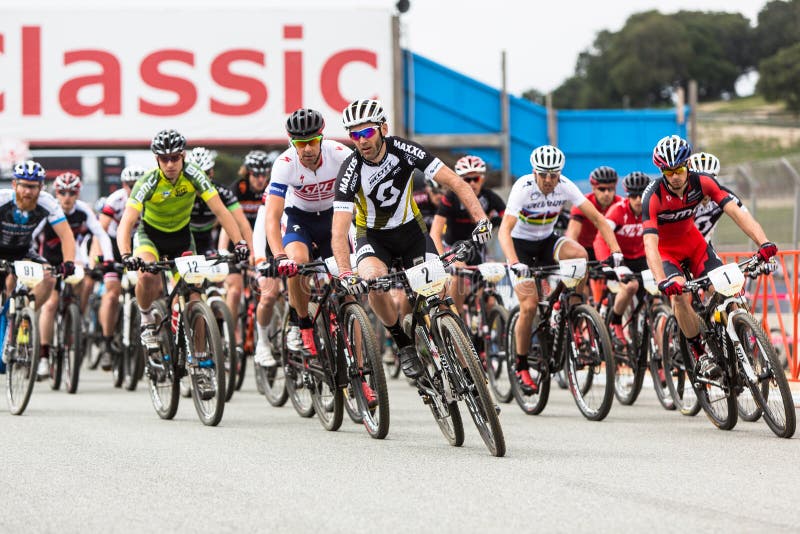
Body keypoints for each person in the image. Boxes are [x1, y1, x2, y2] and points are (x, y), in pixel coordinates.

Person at [331, 98, 493, 379]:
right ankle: (403, 343)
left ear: (383, 128)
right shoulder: (350, 169)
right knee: (374, 283)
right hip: (372, 237)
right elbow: (338, 230)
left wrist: (481, 220)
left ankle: (470, 375)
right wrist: (346, 272)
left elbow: (455, 181)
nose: (361, 141)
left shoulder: (403, 149)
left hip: (412, 232)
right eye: (354, 135)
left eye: (367, 132)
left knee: (441, 297)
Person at [642, 135, 777, 379]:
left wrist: (763, 242)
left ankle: (739, 339)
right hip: (667, 252)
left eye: (680, 169)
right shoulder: (653, 196)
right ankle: (698, 352)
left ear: (688, 166)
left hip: (695, 245)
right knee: (681, 296)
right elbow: (650, 242)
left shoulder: (702, 182)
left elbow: (737, 212)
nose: (675, 176)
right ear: (661, 171)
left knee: (726, 289)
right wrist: (661, 279)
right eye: (669, 171)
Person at [498, 145, 623, 393]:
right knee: (529, 306)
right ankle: (521, 365)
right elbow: (504, 230)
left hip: (546, 241)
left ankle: (571, 305)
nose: (548, 180)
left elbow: (599, 219)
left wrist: (616, 252)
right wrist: (513, 262)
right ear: (534, 172)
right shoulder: (523, 187)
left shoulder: (564, 185)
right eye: (543, 174)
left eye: (553, 175)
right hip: (520, 247)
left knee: (580, 254)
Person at [116, 129, 249, 355]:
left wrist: (240, 243)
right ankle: (147, 319)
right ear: (157, 159)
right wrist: (126, 255)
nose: (170, 164)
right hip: (151, 237)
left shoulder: (195, 175)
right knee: (147, 276)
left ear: (183, 157)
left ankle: (200, 361)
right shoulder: (147, 182)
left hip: (182, 240)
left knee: (195, 298)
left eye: (175, 157)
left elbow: (222, 211)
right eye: (164, 159)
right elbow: (126, 222)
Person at [264, 108, 352, 366]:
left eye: (312, 141)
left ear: (321, 138)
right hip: (299, 218)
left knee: (347, 287)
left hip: (333, 217)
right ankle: (300, 322)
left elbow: (363, 197)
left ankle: (359, 354)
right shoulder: (284, 164)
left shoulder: (339, 154)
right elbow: (272, 216)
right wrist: (279, 255)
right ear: (292, 142)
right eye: (300, 143)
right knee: (297, 264)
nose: (307, 148)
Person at [0, 161, 76, 377]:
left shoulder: (48, 203)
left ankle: (25, 314)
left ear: (41, 187)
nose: (28, 191)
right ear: (14, 184)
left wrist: (69, 262)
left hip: (23, 250)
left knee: (49, 277)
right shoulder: (3, 199)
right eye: (23, 185)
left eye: (33, 187)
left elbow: (66, 235)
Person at [35, 173, 116, 370]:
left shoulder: (83, 211)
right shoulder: (49, 209)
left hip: (73, 258)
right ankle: (44, 356)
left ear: (78, 193)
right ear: (57, 193)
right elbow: (33, 234)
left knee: (85, 281)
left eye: (72, 192)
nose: (67, 197)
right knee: (51, 303)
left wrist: (109, 258)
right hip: (49, 258)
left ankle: (77, 316)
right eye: (62, 192)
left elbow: (101, 234)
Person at [430, 154, 505, 313]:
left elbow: (509, 223)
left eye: (475, 179)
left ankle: (484, 326)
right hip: (453, 248)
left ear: (482, 179)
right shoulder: (451, 197)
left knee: (490, 300)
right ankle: (458, 321)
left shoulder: (490, 197)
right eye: (466, 180)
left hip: (477, 248)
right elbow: (435, 232)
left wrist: (498, 223)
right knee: (458, 277)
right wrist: (441, 259)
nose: (471, 183)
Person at [593, 171, 650, 347]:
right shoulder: (617, 211)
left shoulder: (651, 210)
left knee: (657, 292)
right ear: (628, 195)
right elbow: (600, 239)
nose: (638, 199)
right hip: (621, 259)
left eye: (642, 194)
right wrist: (605, 263)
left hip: (641, 258)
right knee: (631, 285)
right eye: (633, 195)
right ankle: (615, 322)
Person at [222, 150, 271, 341]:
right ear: (247, 173)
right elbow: (227, 224)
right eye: (256, 175)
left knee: (272, 290)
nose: (260, 179)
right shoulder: (238, 188)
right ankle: (231, 334)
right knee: (234, 291)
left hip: (261, 243)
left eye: (264, 174)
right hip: (238, 243)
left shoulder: (270, 189)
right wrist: (223, 251)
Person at [186, 147, 251, 255]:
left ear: (211, 173)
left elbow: (243, 223)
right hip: (184, 236)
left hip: (208, 237)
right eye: (196, 174)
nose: (199, 179)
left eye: (205, 174)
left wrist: (254, 254)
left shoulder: (222, 192)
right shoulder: (181, 191)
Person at [565, 166, 622, 261]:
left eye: (610, 189)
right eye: (602, 189)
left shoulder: (620, 204)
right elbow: (572, 235)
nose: (607, 193)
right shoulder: (582, 204)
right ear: (593, 188)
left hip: (607, 248)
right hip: (584, 249)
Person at [687, 151, 745, 242]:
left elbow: (745, 218)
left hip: (703, 245)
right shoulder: (683, 197)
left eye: (709, 181)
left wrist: (764, 243)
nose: (704, 186)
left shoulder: (723, 194)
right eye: (699, 181)